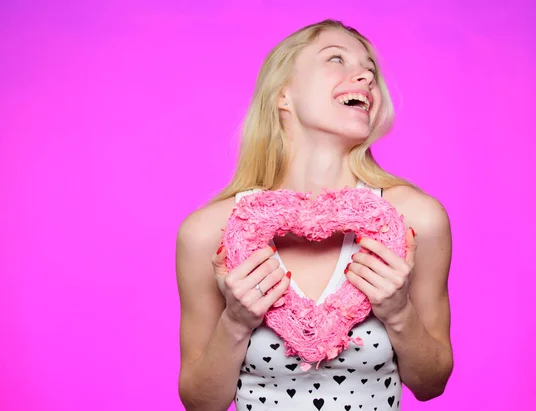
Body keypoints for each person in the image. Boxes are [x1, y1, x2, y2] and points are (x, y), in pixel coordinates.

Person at [176, 19, 453, 411]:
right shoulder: (209, 232)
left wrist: (398, 312)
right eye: (336, 59)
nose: (365, 76)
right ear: (283, 94)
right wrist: (236, 322)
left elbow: (432, 384)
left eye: (370, 71)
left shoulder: (415, 219)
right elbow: (200, 403)